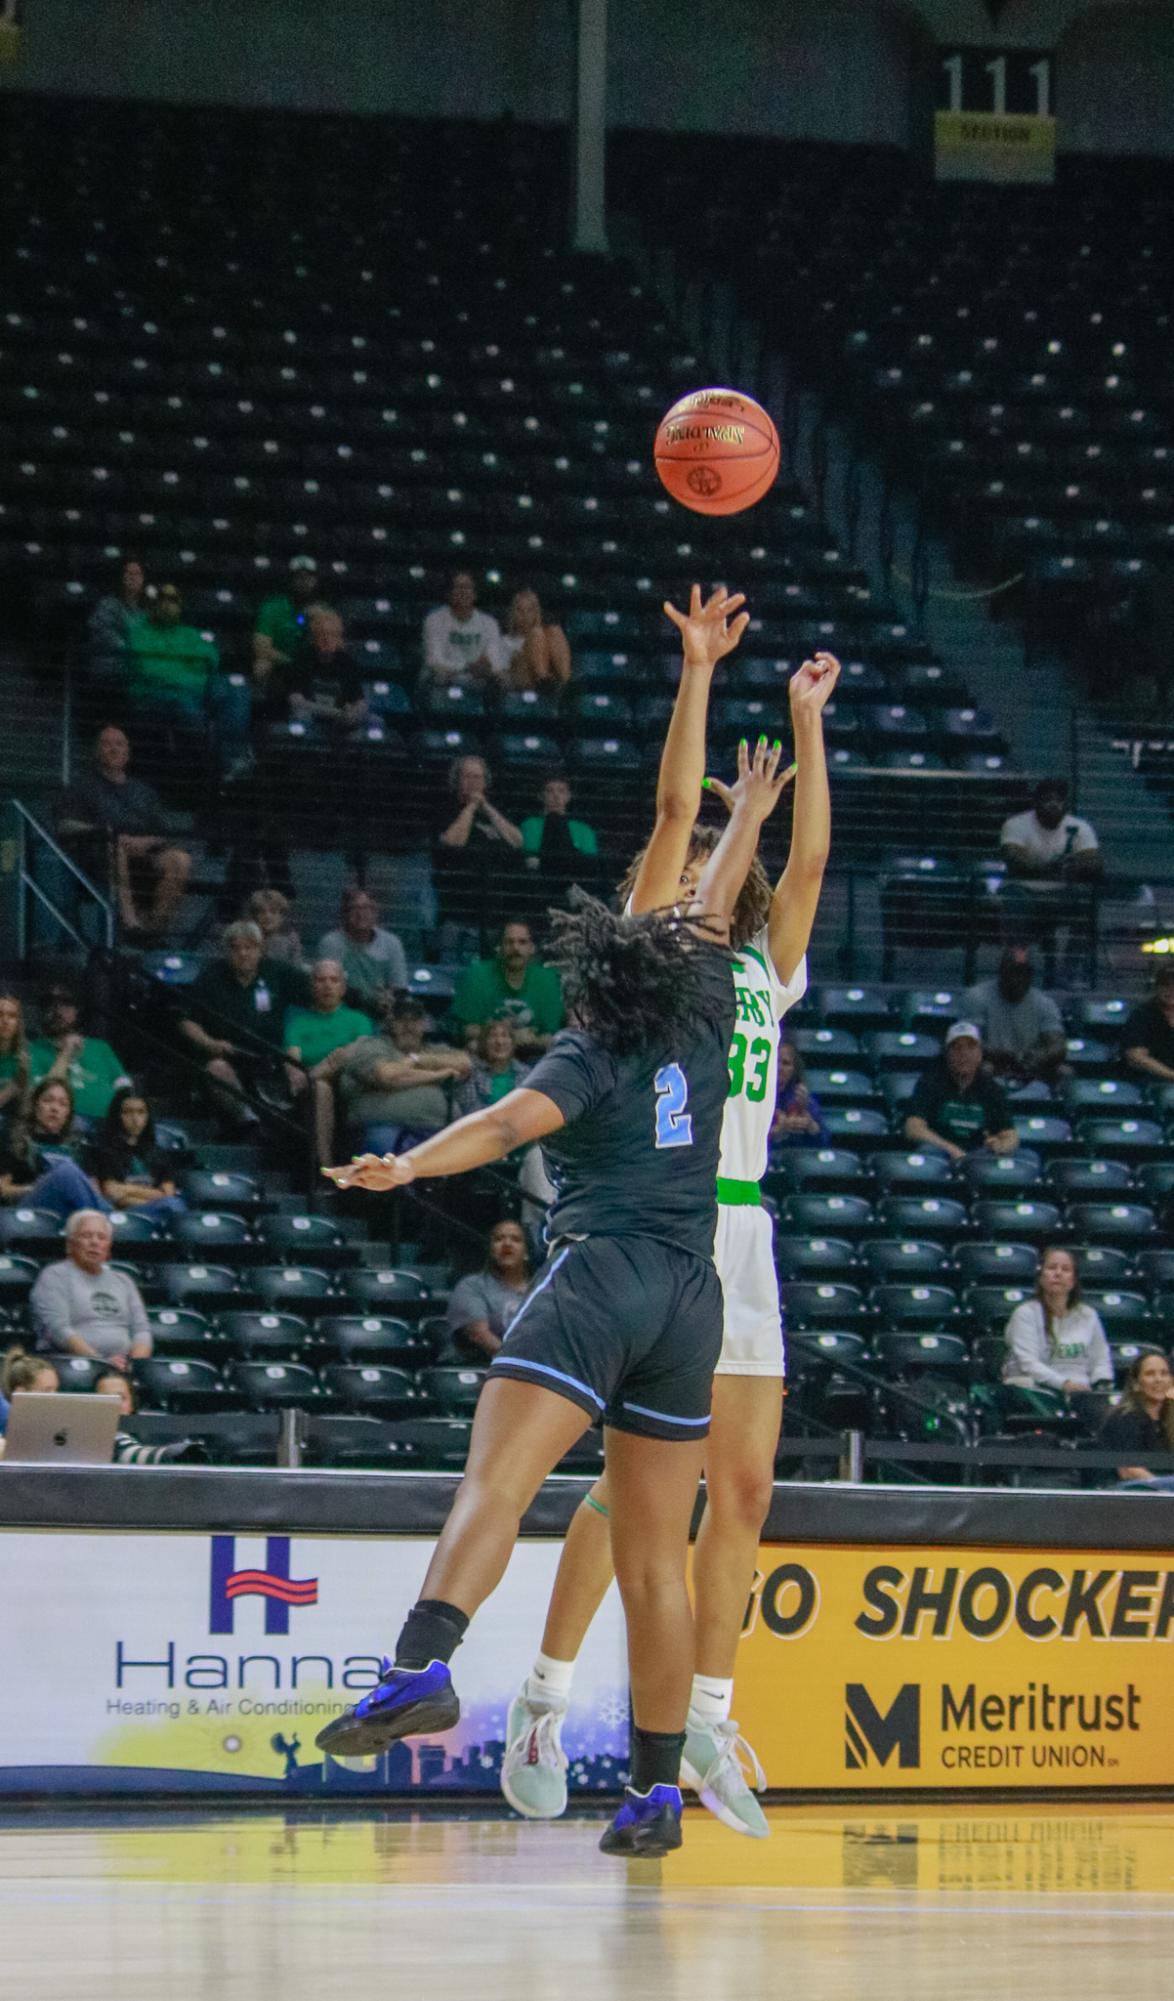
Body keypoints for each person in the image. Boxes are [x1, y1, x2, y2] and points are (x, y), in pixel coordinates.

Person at [314, 599, 796, 1861]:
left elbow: (505, 1125)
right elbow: (689, 824)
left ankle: (423, 1662)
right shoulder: (705, 993)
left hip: (603, 1278)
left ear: (591, 970)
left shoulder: (593, 1042)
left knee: (499, 1479)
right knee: (657, 1560)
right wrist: (742, 800)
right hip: (695, 1301)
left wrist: (403, 1160)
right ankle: (648, 1793)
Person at [499, 607, 837, 1843]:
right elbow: (670, 811)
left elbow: (803, 869)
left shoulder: (764, 967)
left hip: (746, 1239)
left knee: (738, 1494)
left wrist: (805, 721)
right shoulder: (656, 951)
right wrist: (698, 672)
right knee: (632, 1500)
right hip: (661, 1230)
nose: (720, 862)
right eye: (710, 854)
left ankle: (706, 1715)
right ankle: (543, 1695)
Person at [57, 725, 193, 937]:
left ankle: (154, 931)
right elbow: (65, 824)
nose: (114, 749)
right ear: (96, 751)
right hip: (99, 860)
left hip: (144, 856)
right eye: (107, 743)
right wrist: (109, 834)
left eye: (119, 744)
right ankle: (130, 925)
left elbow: (161, 831)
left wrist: (144, 843)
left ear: (128, 752)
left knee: (180, 859)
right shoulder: (82, 787)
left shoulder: (144, 791)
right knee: (114, 848)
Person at [177, 920, 307, 1130]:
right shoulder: (211, 977)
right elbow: (187, 1020)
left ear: (260, 949)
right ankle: (248, 1119)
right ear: (226, 951)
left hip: (270, 1060)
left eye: (249, 947)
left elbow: (316, 991)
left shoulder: (278, 972)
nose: (243, 954)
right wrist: (209, 1042)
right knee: (216, 1068)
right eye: (236, 948)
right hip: (228, 1056)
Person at [1, 1079, 183, 1225]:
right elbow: (3, 1189)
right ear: (35, 1106)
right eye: (48, 1101)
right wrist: (34, 1187)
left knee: (172, 1204)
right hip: (33, 1209)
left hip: (76, 1214)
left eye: (63, 1104)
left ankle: (108, 1224)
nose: (55, 1108)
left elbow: (94, 1193)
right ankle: (107, 1225)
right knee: (66, 1171)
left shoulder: (79, 1149)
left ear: (68, 1113)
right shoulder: (15, 1143)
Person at [322, 996, 472, 1158]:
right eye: (401, 1019)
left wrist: (417, 1059)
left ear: (424, 1024)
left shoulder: (435, 1049)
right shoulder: (372, 1046)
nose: (408, 1026)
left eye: (414, 1020)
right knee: (381, 1145)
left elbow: (464, 1063)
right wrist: (439, 1074)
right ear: (391, 1023)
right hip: (384, 1126)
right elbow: (386, 1076)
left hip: (439, 1129)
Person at [126, 583, 250, 776]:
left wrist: (175, 664)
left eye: (173, 600)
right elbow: (150, 669)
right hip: (156, 695)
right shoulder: (139, 631)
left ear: (180, 606)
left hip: (192, 691)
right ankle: (226, 762)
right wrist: (189, 666)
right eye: (163, 599)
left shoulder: (189, 632)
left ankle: (233, 754)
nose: (167, 604)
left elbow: (211, 659)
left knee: (237, 686)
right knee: (189, 710)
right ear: (154, 604)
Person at [1000, 778, 1103, 983]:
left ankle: (1069, 971)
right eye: (1047, 799)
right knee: (1015, 904)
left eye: (1059, 800)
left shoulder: (1078, 827)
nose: (1053, 805)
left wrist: (1076, 865)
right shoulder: (1016, 824)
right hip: (1023, 891)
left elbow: (1093, 859)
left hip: (1060, 894)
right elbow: (1013, 856)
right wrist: (1046, 868)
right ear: (1036, 801)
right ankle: (1018, 967)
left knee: (1086, 904)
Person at [29, 1210, 153, 1368]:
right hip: (73, 1365)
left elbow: (142, 1332)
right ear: (70, 1244)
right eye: (86, 1236)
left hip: (123, 1368)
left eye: (101, 1237)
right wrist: (101, 1363)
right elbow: (58, 1331)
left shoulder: (124, 1281)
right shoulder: (54, 1276)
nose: (94, 1242)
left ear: (108, 1247)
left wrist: (134, 1365)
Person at [283, 960, 374, 1164]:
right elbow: (292, 1060)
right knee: (321, 1087)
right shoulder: (298, 1022)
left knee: (346, 1054)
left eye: (334, 980)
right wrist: (302, 1075)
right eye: (320, 980)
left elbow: (359, 1051)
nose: (327, 986)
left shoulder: (359, 1020)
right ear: (312, 986)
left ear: (343, 987)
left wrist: (318, 1070)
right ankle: (324, 1166)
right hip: (311, 1089)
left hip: (349, 1081)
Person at [1002, 1246, 1113, 1394]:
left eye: (1065, 1269)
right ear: (1041, 1277)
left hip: (1083, 1391)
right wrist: (1064, 1384)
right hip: (1039, 1391)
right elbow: (1028, 1363)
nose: (1058, 1273)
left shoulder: (1088, 1315)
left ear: (1073, 1281)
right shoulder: (1025, 1313)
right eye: (1052, 1267)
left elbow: (1100, 1358)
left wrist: (1101, 1385)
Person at [434, 756, 524, 936]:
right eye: (467, 777)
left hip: (502, 888)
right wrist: (472, 806)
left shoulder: (495, 809)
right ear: (457, 780)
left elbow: (517, 842)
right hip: (464, 885)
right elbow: (454, 843)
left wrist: (486, 808)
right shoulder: (447, 808)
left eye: (478, 778)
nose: (473, 783)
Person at [904, 1022, 1018, 1161]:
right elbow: (913, 1128)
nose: (964, 1053)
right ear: (947, 1054)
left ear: (980, 1054)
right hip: (940, 1153)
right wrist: (950, 1149)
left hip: (978, 1156)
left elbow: (1011, 1135)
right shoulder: (930, 1083)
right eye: (957, 1048)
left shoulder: (992, 1089)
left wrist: (1001, 1145)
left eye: (971, 1047)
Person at [452, 920, 564, 1058]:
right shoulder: (477, 975)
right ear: (499, 948)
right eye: (509, 942)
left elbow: (551, 1035)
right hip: (486, 1057)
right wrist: (513, 1036)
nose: (515, 948)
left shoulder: (548, 979)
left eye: (522, 942)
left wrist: (534, 1040)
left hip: (533, 1058)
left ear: (532, 948)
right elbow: (467, 1030)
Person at [962, 945, 1068, 1085]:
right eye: (1013, 972)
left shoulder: (1044, 1003)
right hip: (994, 1063)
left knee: (1065, 1072)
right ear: (1002, 972)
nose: (1017, 978)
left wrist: (1041, 1055)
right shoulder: (977, 996)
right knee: (983, 1068)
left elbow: (1058, 1044)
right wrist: (1008, 1056)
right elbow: (967, 1042)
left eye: (1023, 973)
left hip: (1031, 1066)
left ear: (1030, 975)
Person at [27, 986, 131, 1122]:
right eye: (49, 1005)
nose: (57, 1011)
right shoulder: (31, 1050)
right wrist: (66, 1052)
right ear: (41, 1013)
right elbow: (43, 1093)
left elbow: (124, 1089)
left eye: (66, 1004)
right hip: (60, 1127)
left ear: (76, 1011)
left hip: (107, 1127)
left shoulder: (100, 1047)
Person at [86, 1087, 187, 1218]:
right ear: (117, 1115)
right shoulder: (101, 1150)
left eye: (141, 1112)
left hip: (158, 1210)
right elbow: (111, 1193)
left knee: (173, 1205)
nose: (135, 1119)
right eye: (128, 1112)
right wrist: (155, 1195)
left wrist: (126, 1189)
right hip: (121, 1216)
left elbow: (168, 1194)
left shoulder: (158, 1152)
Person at [443, 1219, 534, 1362]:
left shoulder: (540, 1290)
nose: (507, 1244)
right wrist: (521, 1365)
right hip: (479, 1368)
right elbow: (480, 1335)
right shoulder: (471, 1286)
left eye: (515, 1239)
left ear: (526, 1253)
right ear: (491, 1250)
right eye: (499, 1239)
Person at [280, 606, 368, 736]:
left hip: (341, 718)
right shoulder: (302, 658)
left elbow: (360, 700)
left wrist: (355, 713)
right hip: (312, 713)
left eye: (332, 634)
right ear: (314, 637)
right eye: (322, 634)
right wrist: (336, 713)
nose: (327, 639)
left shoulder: (347, 662)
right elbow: (296, 701)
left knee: (374, 721)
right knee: (301, 716)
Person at [316, 886, 408, 1006]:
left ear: (376, 913)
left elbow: (399, 987)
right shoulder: (330, 943)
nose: (361, 914)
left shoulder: (392, 943)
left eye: (367, 908)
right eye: (354, 908)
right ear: (344, 913)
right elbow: (328, 987)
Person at [519, 773, 600, 908]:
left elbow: (590, 863)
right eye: (550, 791)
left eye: (561, 791)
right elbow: (530, 858)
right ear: (541, 796)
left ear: (569, 796)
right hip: (540, 886)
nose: (556, 796)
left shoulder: (583, 829)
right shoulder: (530, 824)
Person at [1100, 1349, 1174, 1487]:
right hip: (1127, 1493)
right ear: (1136, 1384)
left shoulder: (1169, 1420)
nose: (1158, 1379)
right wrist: (1164, 1492)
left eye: (1164, 1374)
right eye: (1150, 1374)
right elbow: (1128, 1470)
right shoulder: (1124, 1417)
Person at [253, 554, 321, 693]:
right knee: (261, 666)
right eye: (299, 577)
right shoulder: (272, 607)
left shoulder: (324, 611)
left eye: (308, 577)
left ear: (315, 581)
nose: (303, 581)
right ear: (290, 580)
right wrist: (292, 663)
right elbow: (262, 648)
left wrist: (317, 624)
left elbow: (329, 650)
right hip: (283, 662)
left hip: (312, 667)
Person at [422, 571, 503, 687]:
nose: (463, 592)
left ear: (475, 594)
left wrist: (482, 668)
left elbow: (494, 663)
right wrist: (468, 667)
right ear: (449, 593)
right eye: (458, 587)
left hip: (477, 687)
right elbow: (435, 662)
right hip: (441, 686)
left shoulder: (490, 624)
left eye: (468, 587)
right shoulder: (434, 620)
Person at [87, 556, 147, 688]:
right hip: (109, 674)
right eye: (129, 573)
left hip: (135, 675)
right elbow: (103, 633)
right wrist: (130, 648)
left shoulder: (146, 612)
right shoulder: (107, 605)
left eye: (137, 574)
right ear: (121, 577)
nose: (133, 577)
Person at [500, 589, 572, 694]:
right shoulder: (505, 640)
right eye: (519, 610)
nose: (524, 615)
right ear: (513, 613)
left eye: (530, 610)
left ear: (536, 613)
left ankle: (566, 684)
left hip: (547, 679)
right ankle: (543, 680)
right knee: (536, 633)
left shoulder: (546, 637)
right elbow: (502, 673)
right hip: (520, 679)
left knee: (555, 630)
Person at [454, 1018, 532, 1115]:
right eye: (493, 1036)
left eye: (505, 1036)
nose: (499, 1042)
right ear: (484, 1043)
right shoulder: (471, 1072)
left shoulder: (526, 1073)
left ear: (512, 1043)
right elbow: (470, 1111)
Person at [768, 1040, 830, 1151]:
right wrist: (777, 1131)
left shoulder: (802, 1097)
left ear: (794, 1069)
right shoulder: (755, 1098)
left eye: (786, 1063)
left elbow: (824, 1142)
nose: (780, 1068)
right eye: (775, 1062)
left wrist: (810, 1125)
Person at [1123, 964, 1174, 1084]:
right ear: (1156, 987)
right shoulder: (1142, 1014)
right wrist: (1171, 1076)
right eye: (1165, 985)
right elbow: (1135, 1057)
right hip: (1155, 1081)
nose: (1171, 990)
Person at [0, 1348, 59, 1445]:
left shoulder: (58, 1422)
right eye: (46, 1391)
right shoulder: (6, 1415)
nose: (55, 1396)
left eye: (56, 1389)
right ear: (21, 1393)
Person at [247, 887, 303, 967]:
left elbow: (296, 968)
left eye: (273, 912)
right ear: (254, 915)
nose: (267, 916)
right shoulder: (246, 938)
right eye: (262, 912)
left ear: (281, 915)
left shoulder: (291, 939)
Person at [0, 986, 31, 1119]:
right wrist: (13, 1088)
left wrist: (24, 1085)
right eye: (0, 1015)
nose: (5, 1021)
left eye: (12, 1016)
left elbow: (27, 1112)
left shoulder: (27, 1056)